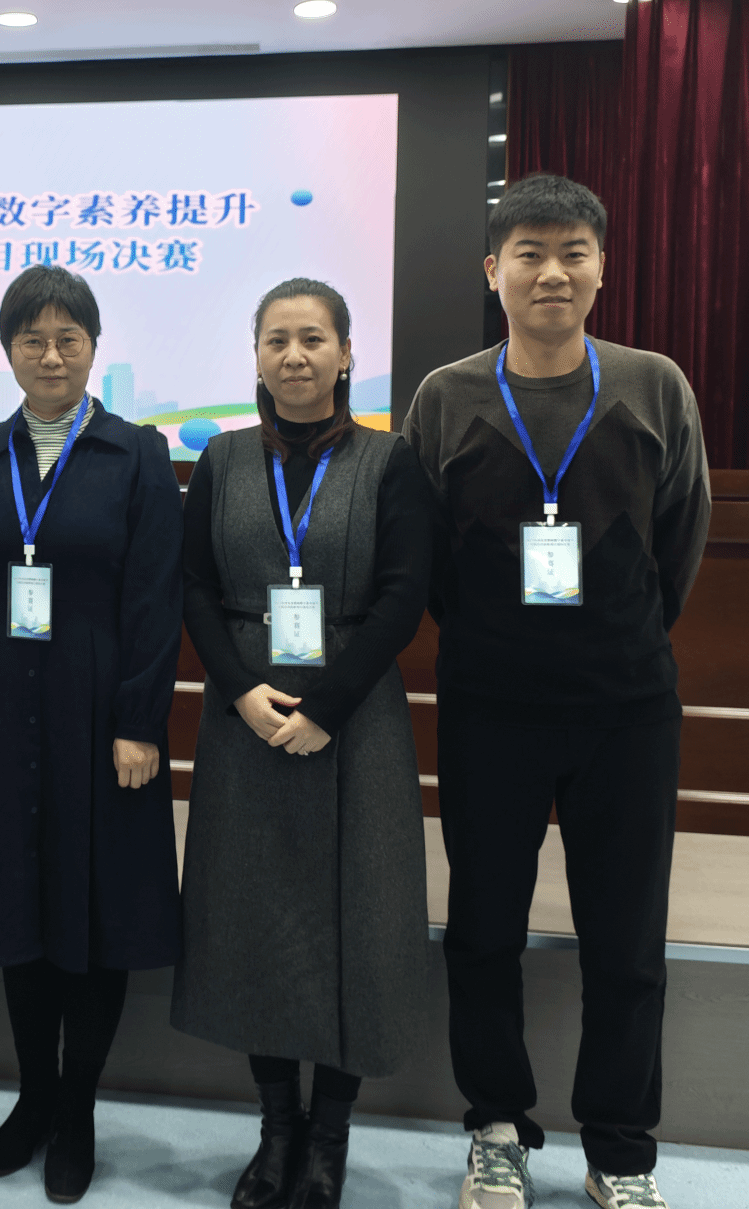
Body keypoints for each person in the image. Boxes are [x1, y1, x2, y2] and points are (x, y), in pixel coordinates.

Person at [401, 175, 710, 1209]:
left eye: (573, 251)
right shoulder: (446, 395)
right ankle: (496, 1126)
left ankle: (619, 1150)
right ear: (493, 271)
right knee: (483, 930)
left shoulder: (652, 385)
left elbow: (681, 541)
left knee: (626, 942)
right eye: (528, 253)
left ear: (601, 268)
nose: (551, 272)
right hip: (488, 708)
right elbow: (426, 557)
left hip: (626, 710)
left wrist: (616, 638)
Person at [173, 278, 434, 1209]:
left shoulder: (390, 461)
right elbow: (193, 587)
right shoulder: (221, 460)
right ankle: (276, 1128)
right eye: (277, 339)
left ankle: (329, 1136)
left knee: (357, 916)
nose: (295, 356)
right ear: (255, 355)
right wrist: (239, 691)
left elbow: (404, 594)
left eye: (313, 339)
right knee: (255, 919)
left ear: (346, 354)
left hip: (355, 717)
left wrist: (327, 705)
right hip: (245, 715)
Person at [0, 264, 185, 1205]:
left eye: (67, 339)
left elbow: (155, 596)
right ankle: (33, 1096)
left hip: (99, 715)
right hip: (2, 710)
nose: (49, 355)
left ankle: (77, 1110)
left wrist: (139, 722)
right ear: (7, 351)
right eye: (31, 340)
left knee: (94, 915)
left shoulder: (136, 453)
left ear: (92, 348)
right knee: (21, 912)